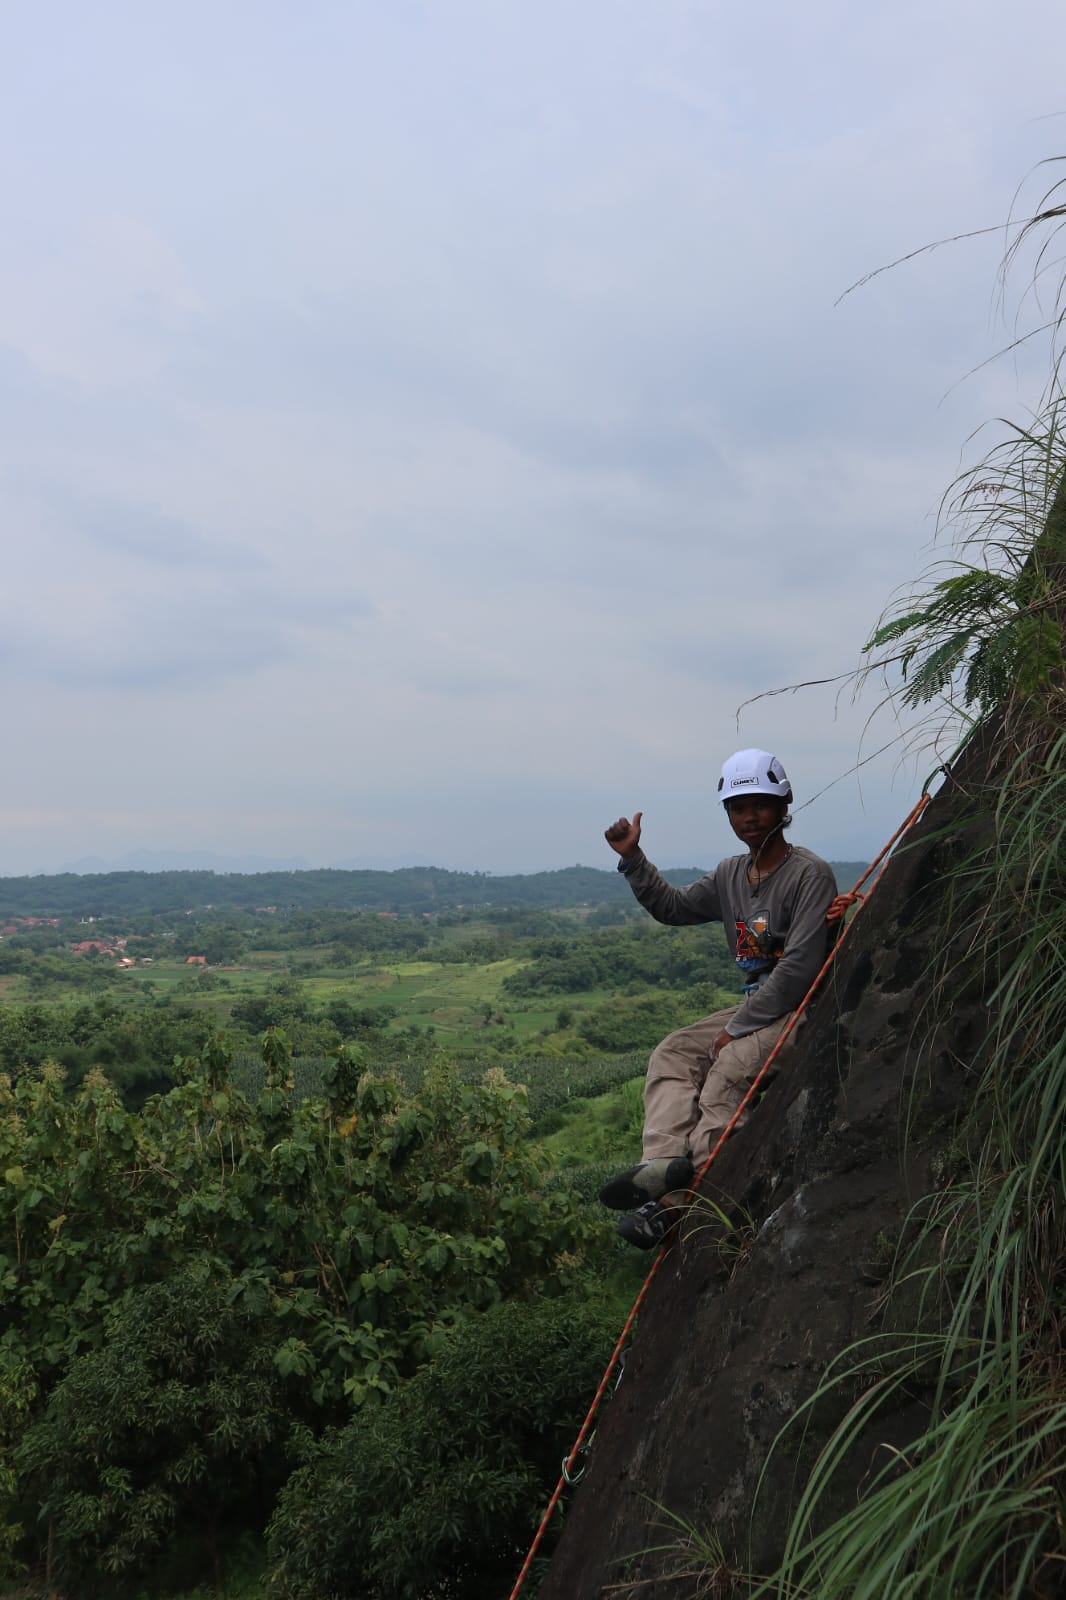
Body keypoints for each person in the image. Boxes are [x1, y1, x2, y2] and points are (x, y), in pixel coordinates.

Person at [601, 749, 837, 1248]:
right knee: (673, 1051)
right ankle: (662, 1168)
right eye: (737, 808)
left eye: (760, 805)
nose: (749, 817)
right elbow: (675, 907)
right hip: (756, 1004)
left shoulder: (808, 874)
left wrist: (737, 1028)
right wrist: (633, 859)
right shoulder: (732, 874)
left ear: (783, 803)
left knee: (726, 1074)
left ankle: (697, 1200)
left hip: (799, 1008)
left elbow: (798, 968)